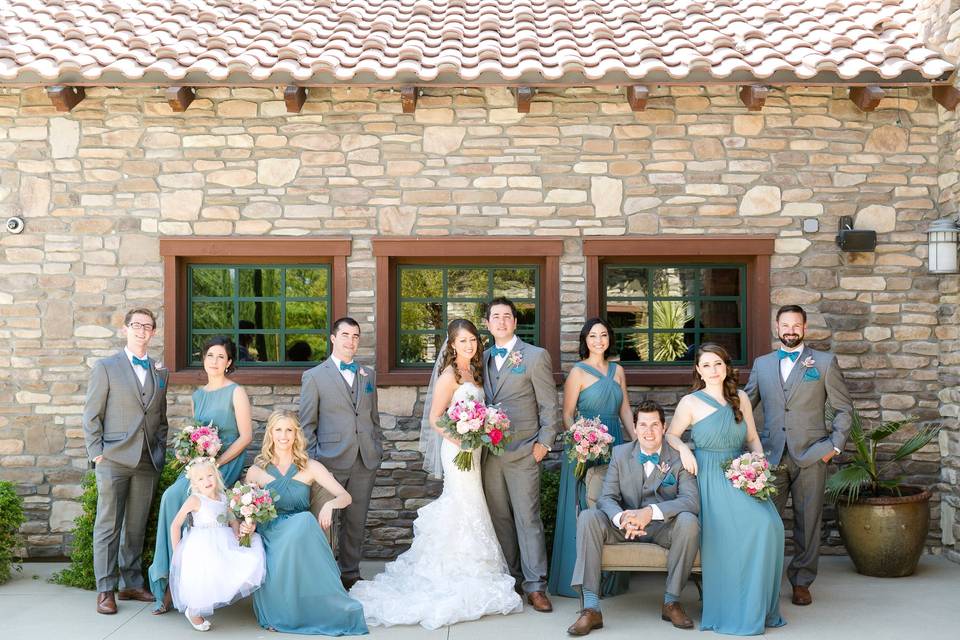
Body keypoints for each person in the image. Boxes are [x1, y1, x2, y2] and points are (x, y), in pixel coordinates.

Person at [350, 319, 523, 629]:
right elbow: (434, 419)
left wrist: (486, 428)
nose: (469, 345)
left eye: (473, 340)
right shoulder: (449, 375)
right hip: (459, 449)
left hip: (476, 447)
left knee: (474, 502)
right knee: (462, 501)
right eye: (463, 341)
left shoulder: (476, 371)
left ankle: (475, 564)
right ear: (452, 344)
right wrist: (464, 440)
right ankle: (456, 566)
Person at [667, 344, 786, 635]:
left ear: (726, 367)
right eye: (706, 365)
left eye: (717, 364)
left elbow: (753, 438)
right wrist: (684, 448)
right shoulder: (690, 403)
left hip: (739, 471)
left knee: (770, 525)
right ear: (697, 370)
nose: (713, 371)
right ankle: (730, 605)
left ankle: (757, 604)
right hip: (708, 475)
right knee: (739, 532)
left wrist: (759, 465)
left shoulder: (741, 398)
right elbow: (670, 435)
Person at [744, 304, 853, 606]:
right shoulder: (762, 364)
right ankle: (765, 579)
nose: (790, 330)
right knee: (766, 520)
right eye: (785, 325)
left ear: (804, 328)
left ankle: (802, 581)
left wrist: (834, 447)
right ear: (776, 328)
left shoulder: (824, 362)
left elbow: (844, 408)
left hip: (813, 453)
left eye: (796, 325)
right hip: (771, 455)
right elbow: (745, 406)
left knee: (808, 522)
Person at [569, 400, 700, 635]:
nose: (648, 432)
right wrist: (623, 519)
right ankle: (591, 608)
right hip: (625, 525)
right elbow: (606, 497)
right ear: (635, 427)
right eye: (643, 425)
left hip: (664, 528)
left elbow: (691, 501)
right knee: (589, 517)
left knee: (689, 521)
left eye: (654, 425)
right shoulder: (621, 453)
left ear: (664, 427)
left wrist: (650, 513)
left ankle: (671, 602)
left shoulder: (679, 458)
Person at [149, 336, 253, 613]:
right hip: (200, 467)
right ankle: (170, 577)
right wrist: (193, 454)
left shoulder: (236, 392)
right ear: (204, 360)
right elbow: (196, 435)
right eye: (210, 356)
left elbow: (246, 437)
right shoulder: (198, 396)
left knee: (183, 498)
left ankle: (181, 585)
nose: (215, 361)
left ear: (229, 362)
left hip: (224, 464)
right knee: (171, 498)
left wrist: (217, 461)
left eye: (221, 356)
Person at [243, 410, 368, 635]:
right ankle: (280, 611)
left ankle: (316, 606)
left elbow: (345, 497)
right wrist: (247, 524)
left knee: (303, 521)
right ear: (271, 434)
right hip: (271, 532)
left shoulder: (310, 466)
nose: (284, 436)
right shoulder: (256, 471)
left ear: (296, 434)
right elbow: (244, 508)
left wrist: (329, 505)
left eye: (289, 430)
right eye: (278, 430)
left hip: (301, 531)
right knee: (303, 523)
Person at [82, 308, 169, 615]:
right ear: (125, 329)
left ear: (154, 332)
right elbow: (92, 414)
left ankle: (131, 583)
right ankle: (105, 589)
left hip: (148, 459)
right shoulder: (106, 367)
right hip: (114, 458)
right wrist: (96, 452)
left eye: (148, 326)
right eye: (136, 325)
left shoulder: (161, 372)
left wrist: (161, 448)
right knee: (108, 526)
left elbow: (160, 418)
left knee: (135, 526)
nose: (141, 330)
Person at [482, 297, 561, 613]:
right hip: (489, 454)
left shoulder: (535, 356)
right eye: (495, 317)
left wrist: (544, 443)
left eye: (506, 316)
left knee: (528, 519)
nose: (501, 322)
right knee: (500, 518)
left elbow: (548, 404)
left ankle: (536, 586)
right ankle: (512, 580)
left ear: (515, 322)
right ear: (487, 324)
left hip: (525, 450)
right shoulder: (483, 357)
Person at [549, 318, 635, 599]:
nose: (599, 340)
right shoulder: (578, 372)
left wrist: (635, 441)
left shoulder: (618, 370)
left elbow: (625, 410)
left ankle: (611, 579)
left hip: (615, 443)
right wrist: (582, 440)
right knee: (585, 504)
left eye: (604, 335)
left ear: (610, 338)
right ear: (585, 341)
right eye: (593, 336)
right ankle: (579, 580)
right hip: (586, 444)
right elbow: (567, 413)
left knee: (612, 501)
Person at [298, 317, 383, 590]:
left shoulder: (367, 375)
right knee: (325, 520)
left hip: (364, 459)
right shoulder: (314, 376)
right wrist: (312, 462)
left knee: (356, 520)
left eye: (355, 336)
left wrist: (376, 446)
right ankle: (323, 575)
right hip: (328, 461)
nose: (351, 340)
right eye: (345, 335)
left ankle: (350, 573)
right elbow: (307, 424)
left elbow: (372, 417)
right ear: (333, 338)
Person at [168, 457, 265, 631]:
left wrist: (237, 533)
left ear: (217, 476)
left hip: (224, 539)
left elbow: (232, 518)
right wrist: (177, 552)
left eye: (210, 475)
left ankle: (202, 605)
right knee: (203, 578)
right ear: (194, 483)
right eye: (200, 478)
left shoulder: (223, 496)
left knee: (237, 564)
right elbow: (175, 525)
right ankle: (194, 611)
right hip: (202, 544)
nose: (207, 481)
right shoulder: (195, 500)